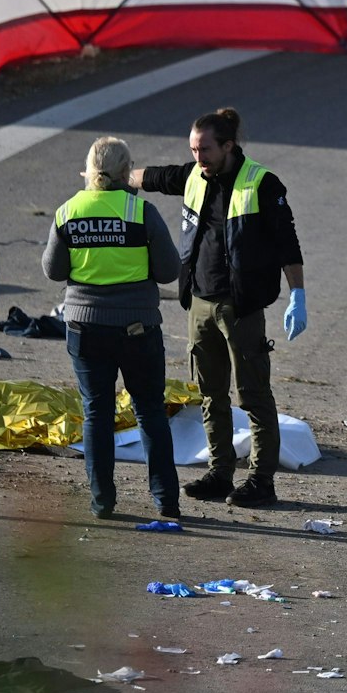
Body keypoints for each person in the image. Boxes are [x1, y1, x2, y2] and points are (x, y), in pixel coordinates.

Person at [131, 107, 306, 509]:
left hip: (240, 309)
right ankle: (219, 471)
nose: (198, 157)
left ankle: (261, 481)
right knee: (211, 394)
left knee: (254, 396)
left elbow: (287, 243)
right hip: (200, 304)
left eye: (205, 149)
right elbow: (155, 177)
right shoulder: (195, 175)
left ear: (228, 146)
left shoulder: (261, 183)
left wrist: (298, 294)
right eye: (193, 149)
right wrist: (113, 175)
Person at [43, 136, 182, 520]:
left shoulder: (68, 212)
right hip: (138, 329)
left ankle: (102, 502)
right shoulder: (141, 212)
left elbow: (53, 271)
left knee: (97, 413)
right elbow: (170, 270)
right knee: (150, 412)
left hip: (86, 329)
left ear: (88, 171)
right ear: (127, 171)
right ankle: (166, 501)